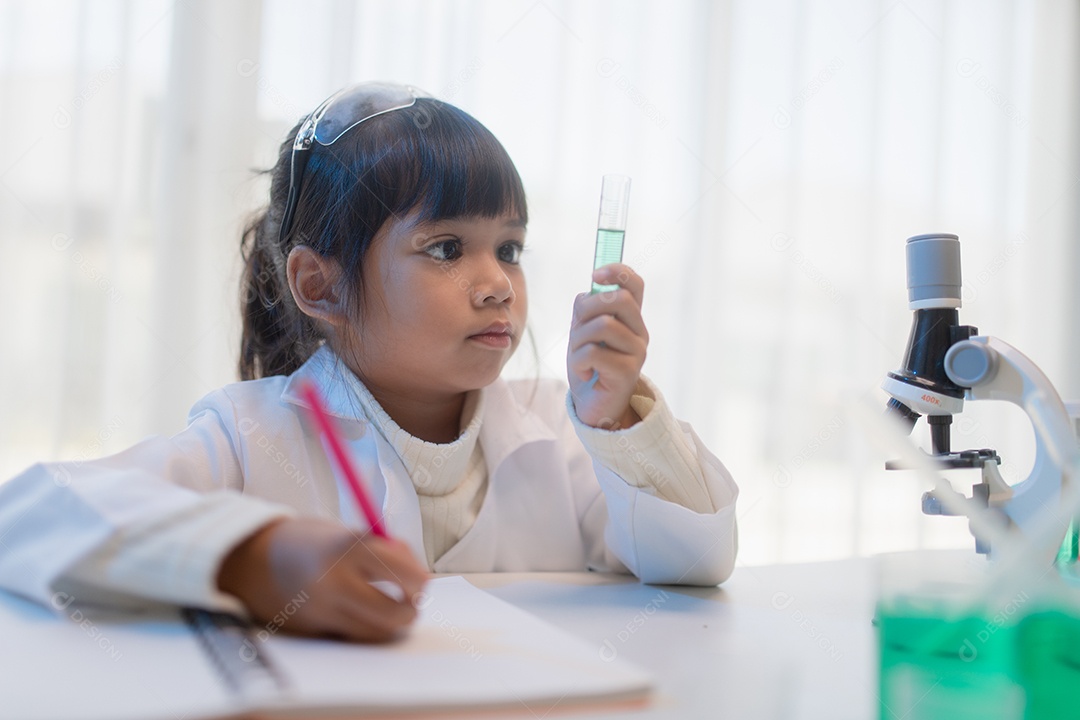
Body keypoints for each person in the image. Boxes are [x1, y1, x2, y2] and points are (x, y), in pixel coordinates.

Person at [0, 82, 738, 643]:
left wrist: (618, 422)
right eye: (447, 249)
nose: (496, 284)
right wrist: (253, 558)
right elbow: (30, 517)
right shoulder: (253, 434)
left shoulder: (562, 427)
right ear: (320, 286)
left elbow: (694, 559)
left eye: (509, 249)